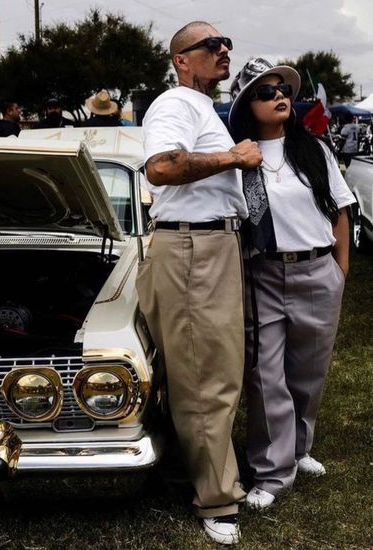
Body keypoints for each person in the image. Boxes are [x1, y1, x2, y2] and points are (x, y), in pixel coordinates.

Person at [136, 21, 262, 546]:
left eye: (225, 41)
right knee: (207, 374)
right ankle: (217, 499)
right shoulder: (175, 104)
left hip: (208, 246)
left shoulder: (200, 107)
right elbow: (161, 168)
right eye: (212, 44)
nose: (224, 49)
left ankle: (192, 469)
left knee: (205, 367)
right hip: (194, 248)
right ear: (182, 59)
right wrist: (234, 156)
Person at [228, 58, 355, 510]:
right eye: (266, 92)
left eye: (283, 89)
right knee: (266, 377)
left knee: (308, 372)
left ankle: (299, 449)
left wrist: (340, 270)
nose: (279, 96)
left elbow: (341, 209)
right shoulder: (239, 158)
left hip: (318, 272)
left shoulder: (314, 149)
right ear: (247, 105)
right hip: (264, 273)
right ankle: (271, 471)